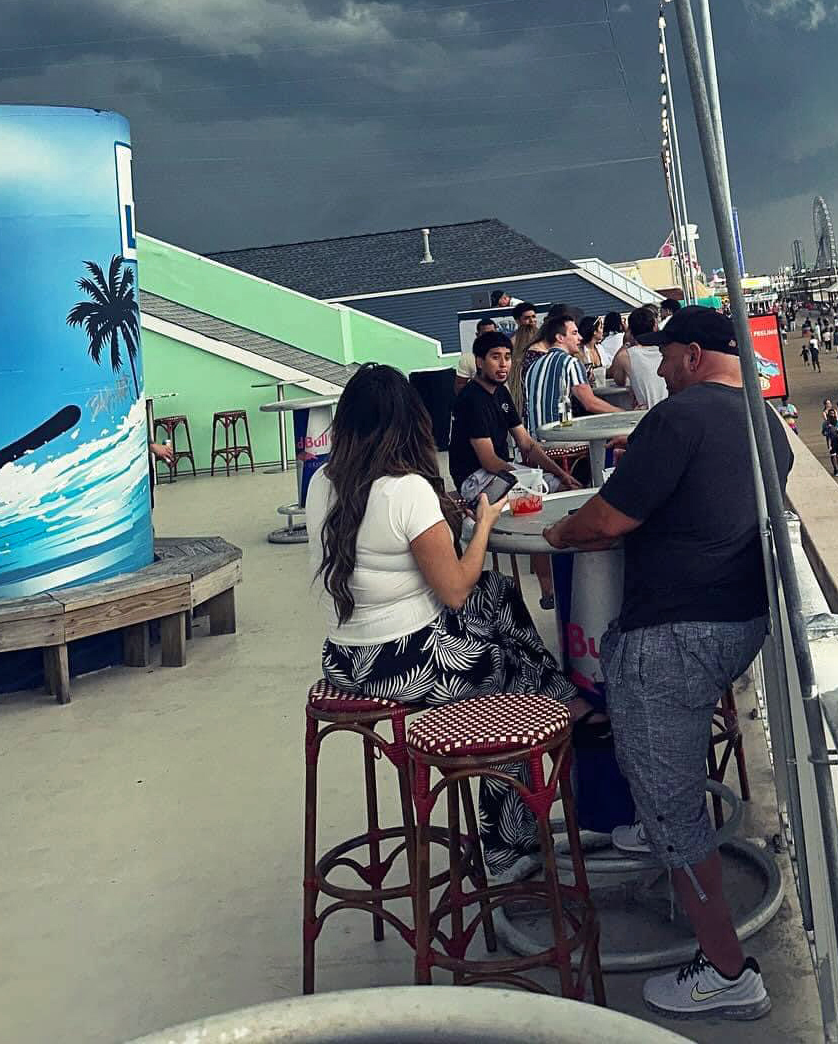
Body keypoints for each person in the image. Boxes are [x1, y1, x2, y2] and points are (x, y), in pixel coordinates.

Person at [542, 306, 791, 1021]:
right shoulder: (764, 423)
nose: (658, 368)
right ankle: (656, 825)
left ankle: (725, 971)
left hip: (675, 637)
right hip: (736, 623)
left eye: (665, 356)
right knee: (662, 774)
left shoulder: (678, 420)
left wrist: (561, 530)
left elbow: (606, 520)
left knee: (674, 805)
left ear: (687, 355)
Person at [309, 364, 597, 880]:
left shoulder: (323, 485)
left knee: (501, 591)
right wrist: (483, 524)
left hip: (345, 659)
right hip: (405, 663)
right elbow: (456, 589)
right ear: (410, 423)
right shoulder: (405, 490)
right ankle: (507, 848)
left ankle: (560, 700)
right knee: (510, 691)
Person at [449, 331, 581, 607]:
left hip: (500, 472)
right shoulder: (471, 400)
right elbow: (488, 461)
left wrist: (560, 474)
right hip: (475, 479)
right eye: (495, 358)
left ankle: (560, 580)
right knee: (533, 496)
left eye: (507, 358)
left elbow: (526, 442)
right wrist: (526, 476)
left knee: (556, 489)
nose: (503, 365)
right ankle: (548, 589)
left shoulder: (502, 394)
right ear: (479, 362)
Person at [521, 309, 620, 432]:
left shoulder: (534, 365)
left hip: (535, 441)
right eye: (574, 333)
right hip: (560, 442)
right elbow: (590, 403)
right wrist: (622, 413)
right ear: (560, 338)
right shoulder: (570, 362)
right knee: (607, 437)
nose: (580, 338)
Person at [609, 305, 668, 409]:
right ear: (655, 326)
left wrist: (626, 344)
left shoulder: (624, 356)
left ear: (630, 331)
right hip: (673, 409)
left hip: (647, 414)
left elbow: (619, 381)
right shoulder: (669, 350)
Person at [508, 301, 540, 416]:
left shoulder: (544, 338)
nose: (532, 321)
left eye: (533, 317)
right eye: (527, 318)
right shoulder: (512, 343)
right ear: (517, 321)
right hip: (521, 392)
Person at [455, 317, 500, 390]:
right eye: (485, 334)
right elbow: (460, 385)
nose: (489, 337)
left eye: (492, 333)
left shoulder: (506, 356)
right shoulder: (467, 358)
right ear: (477, 335)